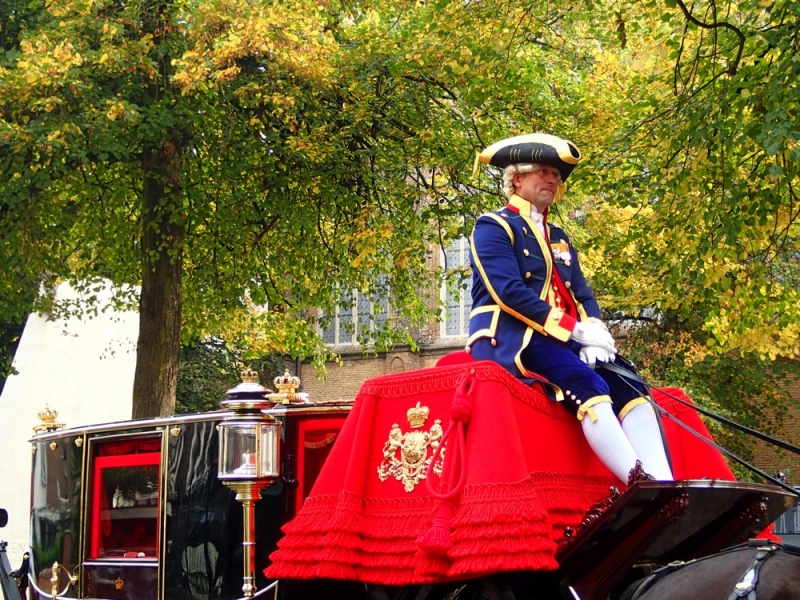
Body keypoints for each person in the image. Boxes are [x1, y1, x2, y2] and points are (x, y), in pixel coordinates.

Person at [467, 132, 673, 483]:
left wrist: (595, 334)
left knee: (630, 383)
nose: (553, 180)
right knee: (584, 382)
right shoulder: (493, 226)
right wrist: (575, 330)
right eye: (544, 172)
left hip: (560, 337)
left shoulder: (559, 236)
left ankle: (665, 484)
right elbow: (508, 292)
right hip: (513, 335)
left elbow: (582, 293)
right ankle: (640, 483)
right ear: (517, 178)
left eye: (557, 176)